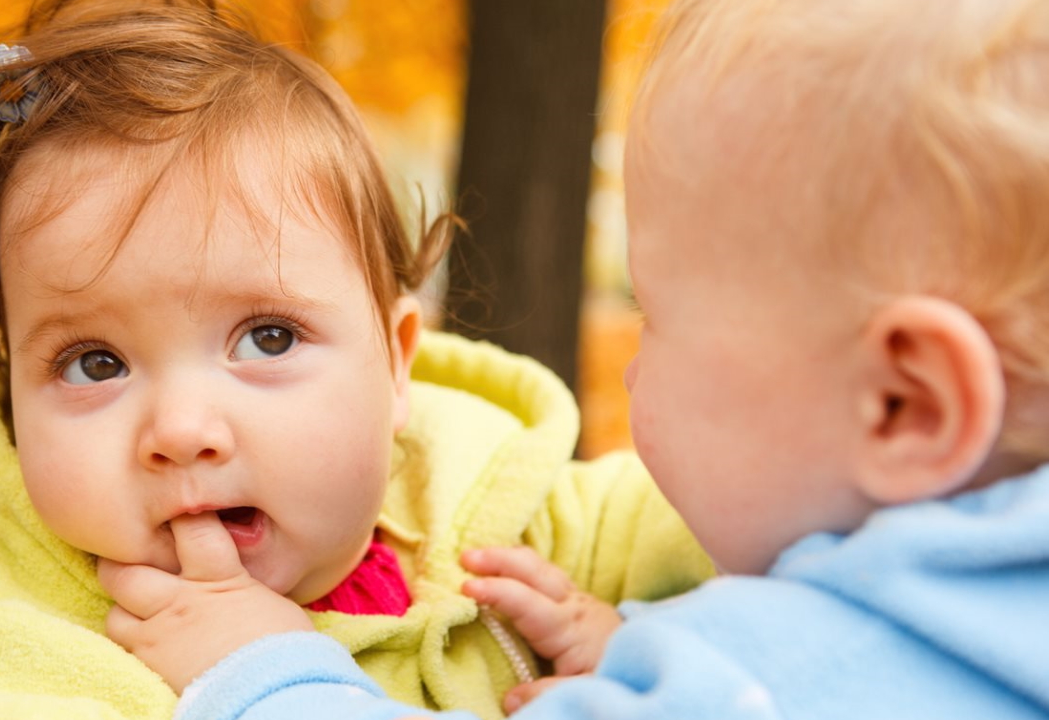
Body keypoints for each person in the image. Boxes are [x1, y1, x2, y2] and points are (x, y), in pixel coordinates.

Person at [98, 0, 1049, 717]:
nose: (632, 368)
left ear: (901, 404)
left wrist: (266, 674)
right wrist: (644, 656)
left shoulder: (759, 681)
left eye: (657, 315)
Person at [0, 1, 712, 718]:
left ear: (395, 367)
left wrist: (651, 657)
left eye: (267, 337)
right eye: (95, 363)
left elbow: (785, 514)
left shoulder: (513, 520)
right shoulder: (29, 662)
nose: (181, 431)